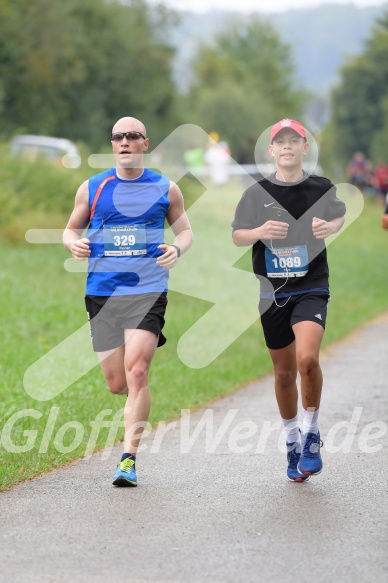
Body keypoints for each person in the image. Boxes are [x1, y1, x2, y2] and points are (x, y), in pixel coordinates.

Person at [63, 116, 193, 487]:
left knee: (138, 373)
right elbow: (71, 228)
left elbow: (184, 231)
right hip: (103, 292)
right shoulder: (93, 187)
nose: (124, 142)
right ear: (113, 143)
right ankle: (130, 413)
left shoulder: (165, 188)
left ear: (145, 143)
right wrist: (72, 243)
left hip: (147, 290)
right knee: (117, 383)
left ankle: (128, 460)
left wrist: (176, 249)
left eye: (132, 136)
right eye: (118, 136)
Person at [231, 118, 346, 482]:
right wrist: (259, 232)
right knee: (283, 373)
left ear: (304, 147)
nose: (286, 146)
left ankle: (312, 434)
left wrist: (330, 227)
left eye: (293, 140)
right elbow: (237, 236)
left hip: (311, 285)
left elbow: (339, 214)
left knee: (307, 359)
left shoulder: (321, 188)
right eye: (279, 141)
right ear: (271, 150)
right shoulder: (256, 193)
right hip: (273, 293)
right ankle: (292, 440)